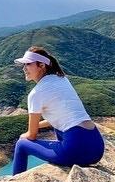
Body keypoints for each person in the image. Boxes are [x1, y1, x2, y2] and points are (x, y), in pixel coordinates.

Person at [11, 46, 105, 175]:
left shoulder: (36, 94)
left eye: (28, 64)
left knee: (21, 144)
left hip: (76, 150)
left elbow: (31, 135)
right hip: (96, 149)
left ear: (41, 65)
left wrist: (26, 133)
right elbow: (62, 118)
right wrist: (36, 125)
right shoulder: (62, 79)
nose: (24, 68)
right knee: (60, 128)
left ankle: (16, 180)